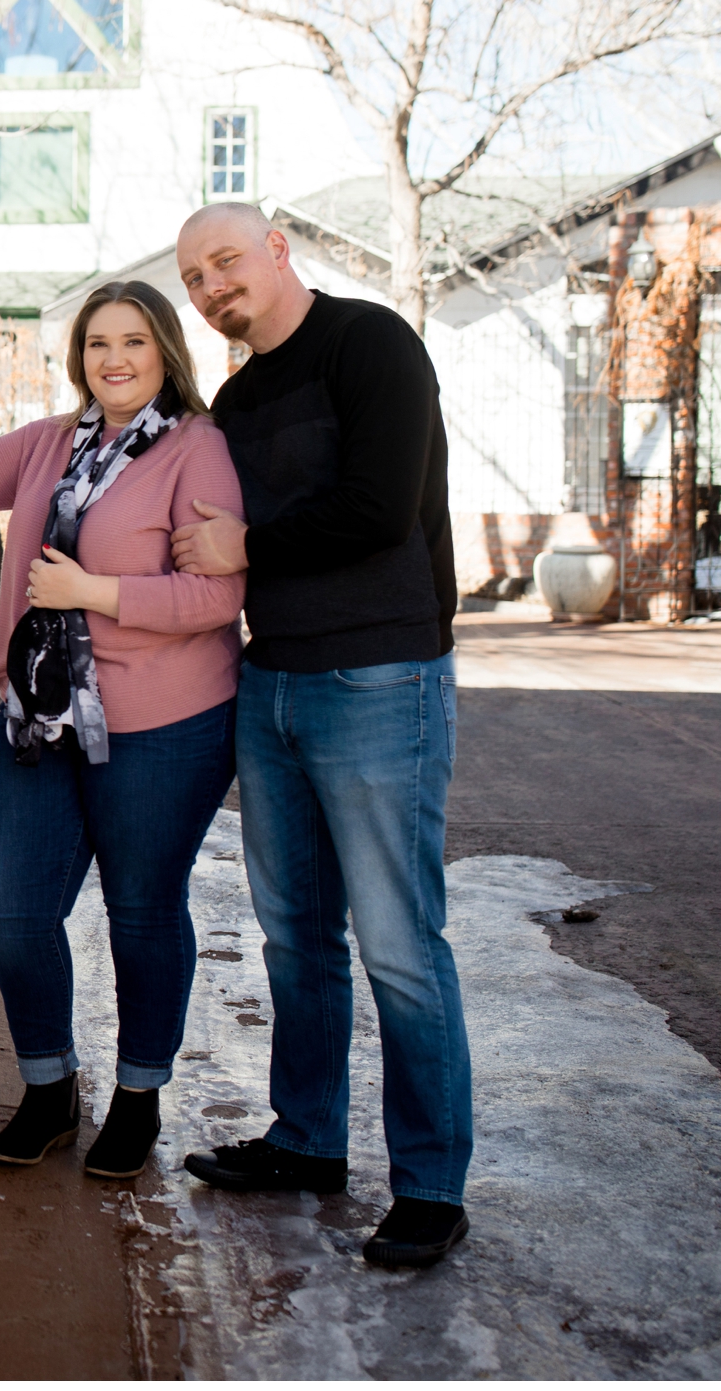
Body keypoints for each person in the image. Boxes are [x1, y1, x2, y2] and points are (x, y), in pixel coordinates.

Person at [166, 202, 471, 1268]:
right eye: (194, 277)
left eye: (225, 261)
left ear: (278, 250)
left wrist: (247, 541)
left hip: (382, 674)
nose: (211, 287)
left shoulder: (370, 342)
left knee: (398, 944)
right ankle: (307, 1141)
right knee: (296, 939)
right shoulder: (239, 398)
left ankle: (431, 1182)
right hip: (274, 681)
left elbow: (380, 506)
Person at [0, 277, 245, 1179]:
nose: (114, 359)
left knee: (142, 911)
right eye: (98, 343)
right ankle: (47, 1086)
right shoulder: (49, 444)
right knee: (16, 907)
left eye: (134, 343)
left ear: (165, 355)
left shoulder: (197, 449)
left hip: (163, 721)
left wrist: (92, 594)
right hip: (40, 715)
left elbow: (218, 595)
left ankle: (139, 1096)